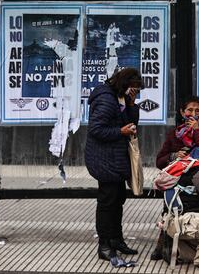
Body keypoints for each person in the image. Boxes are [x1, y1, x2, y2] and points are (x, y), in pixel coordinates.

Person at [85, 67, 142, 260]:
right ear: (124, 84)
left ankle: (116, 240)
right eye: (132, 90)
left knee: (118, 200)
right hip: (104, 160)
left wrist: (132, 104)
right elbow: (96, 129)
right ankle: (104, 245)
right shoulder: (106, 100)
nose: (133, 93)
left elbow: (131, 122)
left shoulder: (121, 97)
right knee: (107, 202)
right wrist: (120, 132)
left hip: (116, 158)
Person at [151, 96, 199, 260]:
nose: (193, 113)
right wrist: (174, 155)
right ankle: (164, 243)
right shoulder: (174, 134)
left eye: (197, 111)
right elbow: (160, 160)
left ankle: (197, 244)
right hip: (179, 178)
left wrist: (197, 131)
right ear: (182, 112)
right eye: (190, 110)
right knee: (171, 199)